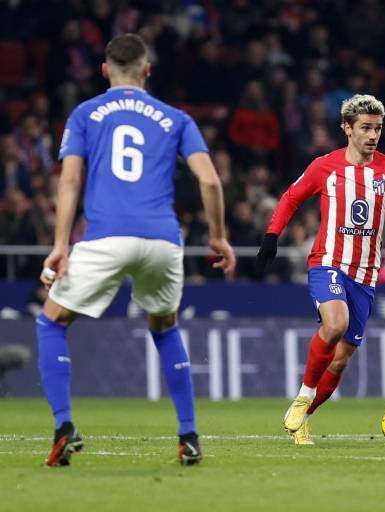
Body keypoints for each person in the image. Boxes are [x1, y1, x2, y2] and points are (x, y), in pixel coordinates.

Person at [37, 34, 236, 467]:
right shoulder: (176, 118)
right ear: (147, 70)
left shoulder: (86, 113)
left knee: (51, 323)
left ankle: (64, 426)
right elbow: (210, 181)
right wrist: (218, 237)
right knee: (165, 329)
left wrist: (59, 245)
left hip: (106, 236)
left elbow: (69, 181)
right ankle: (189, 436)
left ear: (105, 70)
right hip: (163, 239)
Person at [253, 94, 385, 445]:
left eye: (377, 128)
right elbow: (291, 197)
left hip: (366, 275)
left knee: (341, 360)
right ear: (347, 128)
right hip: (327, 262)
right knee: (335, 324)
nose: (373, 135)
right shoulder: (324, 167)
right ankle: (303, 395)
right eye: (365, 128)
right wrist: (272, 234)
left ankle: (303, 417)